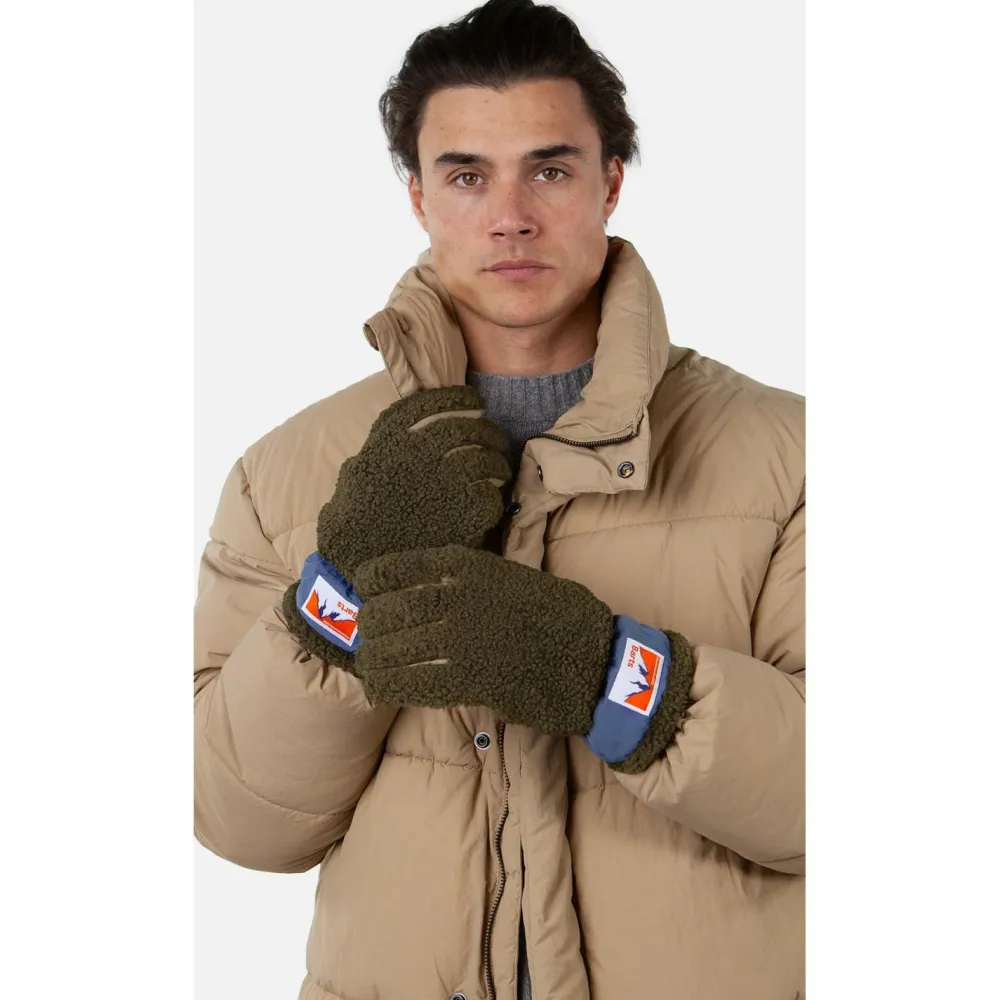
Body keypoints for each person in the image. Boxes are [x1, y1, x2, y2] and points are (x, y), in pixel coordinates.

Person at [193, 1, 805, 997]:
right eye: (467, 175)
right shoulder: (288, 472)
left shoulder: (790, 456)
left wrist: (608, 676)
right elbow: (241, 820)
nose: (510, 214)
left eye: (549, 170)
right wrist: (337, 594)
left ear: (610, 182)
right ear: (418, 196)